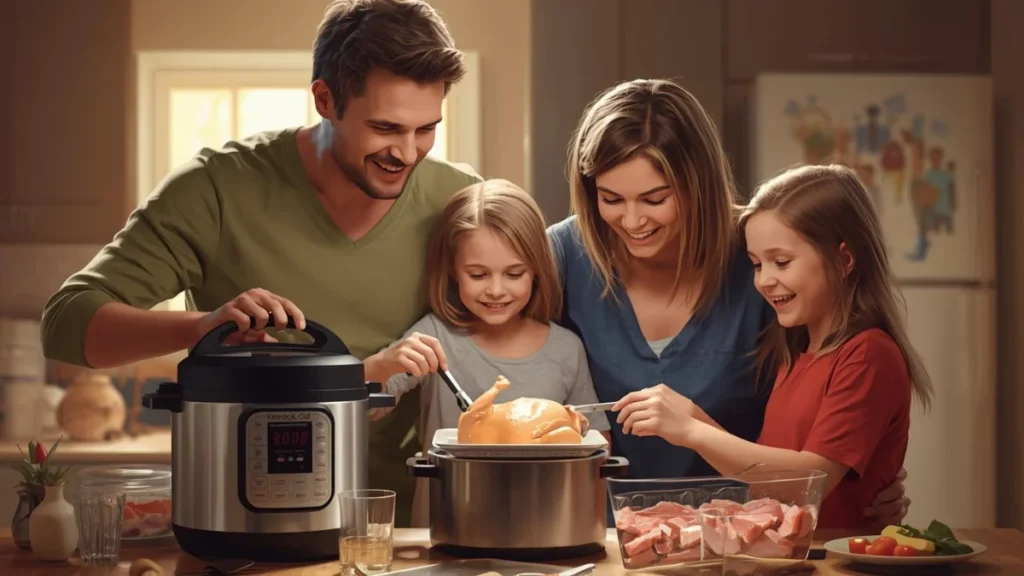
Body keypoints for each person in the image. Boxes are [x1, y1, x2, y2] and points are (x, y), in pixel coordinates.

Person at [39, 0, 482, 527]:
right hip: (242, 526)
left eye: (426, 129)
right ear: (325, 99)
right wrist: (202, 328)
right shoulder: (215, 190)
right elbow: (65, 324)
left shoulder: (459, 200)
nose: (406, 153)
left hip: (408, 528)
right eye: (385, 128)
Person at [547, 78, 912, 526]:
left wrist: (866, 477)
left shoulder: (757, 253)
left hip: (745, 537)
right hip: (600, 535)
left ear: (698, 184)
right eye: (610, 199)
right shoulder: (560, 257)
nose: (633, 219)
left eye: (655, 198)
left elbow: (832, 397)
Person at [613, 164, 933, 530]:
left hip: (837, 556)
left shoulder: (868, 355)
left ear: (844, 260)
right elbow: (768, 476)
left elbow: (808, 484)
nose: (764, 280)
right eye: (756, 265)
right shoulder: (796, 353)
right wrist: (693, 416)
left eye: (781, 262)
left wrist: (691, 430)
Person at [362, 179, 611, 527]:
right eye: (478, 274)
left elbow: (597, 446)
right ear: (453, 270)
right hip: (445, 527)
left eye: (514, 273)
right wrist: (383, 363)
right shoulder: (435, 336)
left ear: (537, 269)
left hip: (541, 527)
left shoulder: (566, 348)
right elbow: (364, 408)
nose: (496, 290)